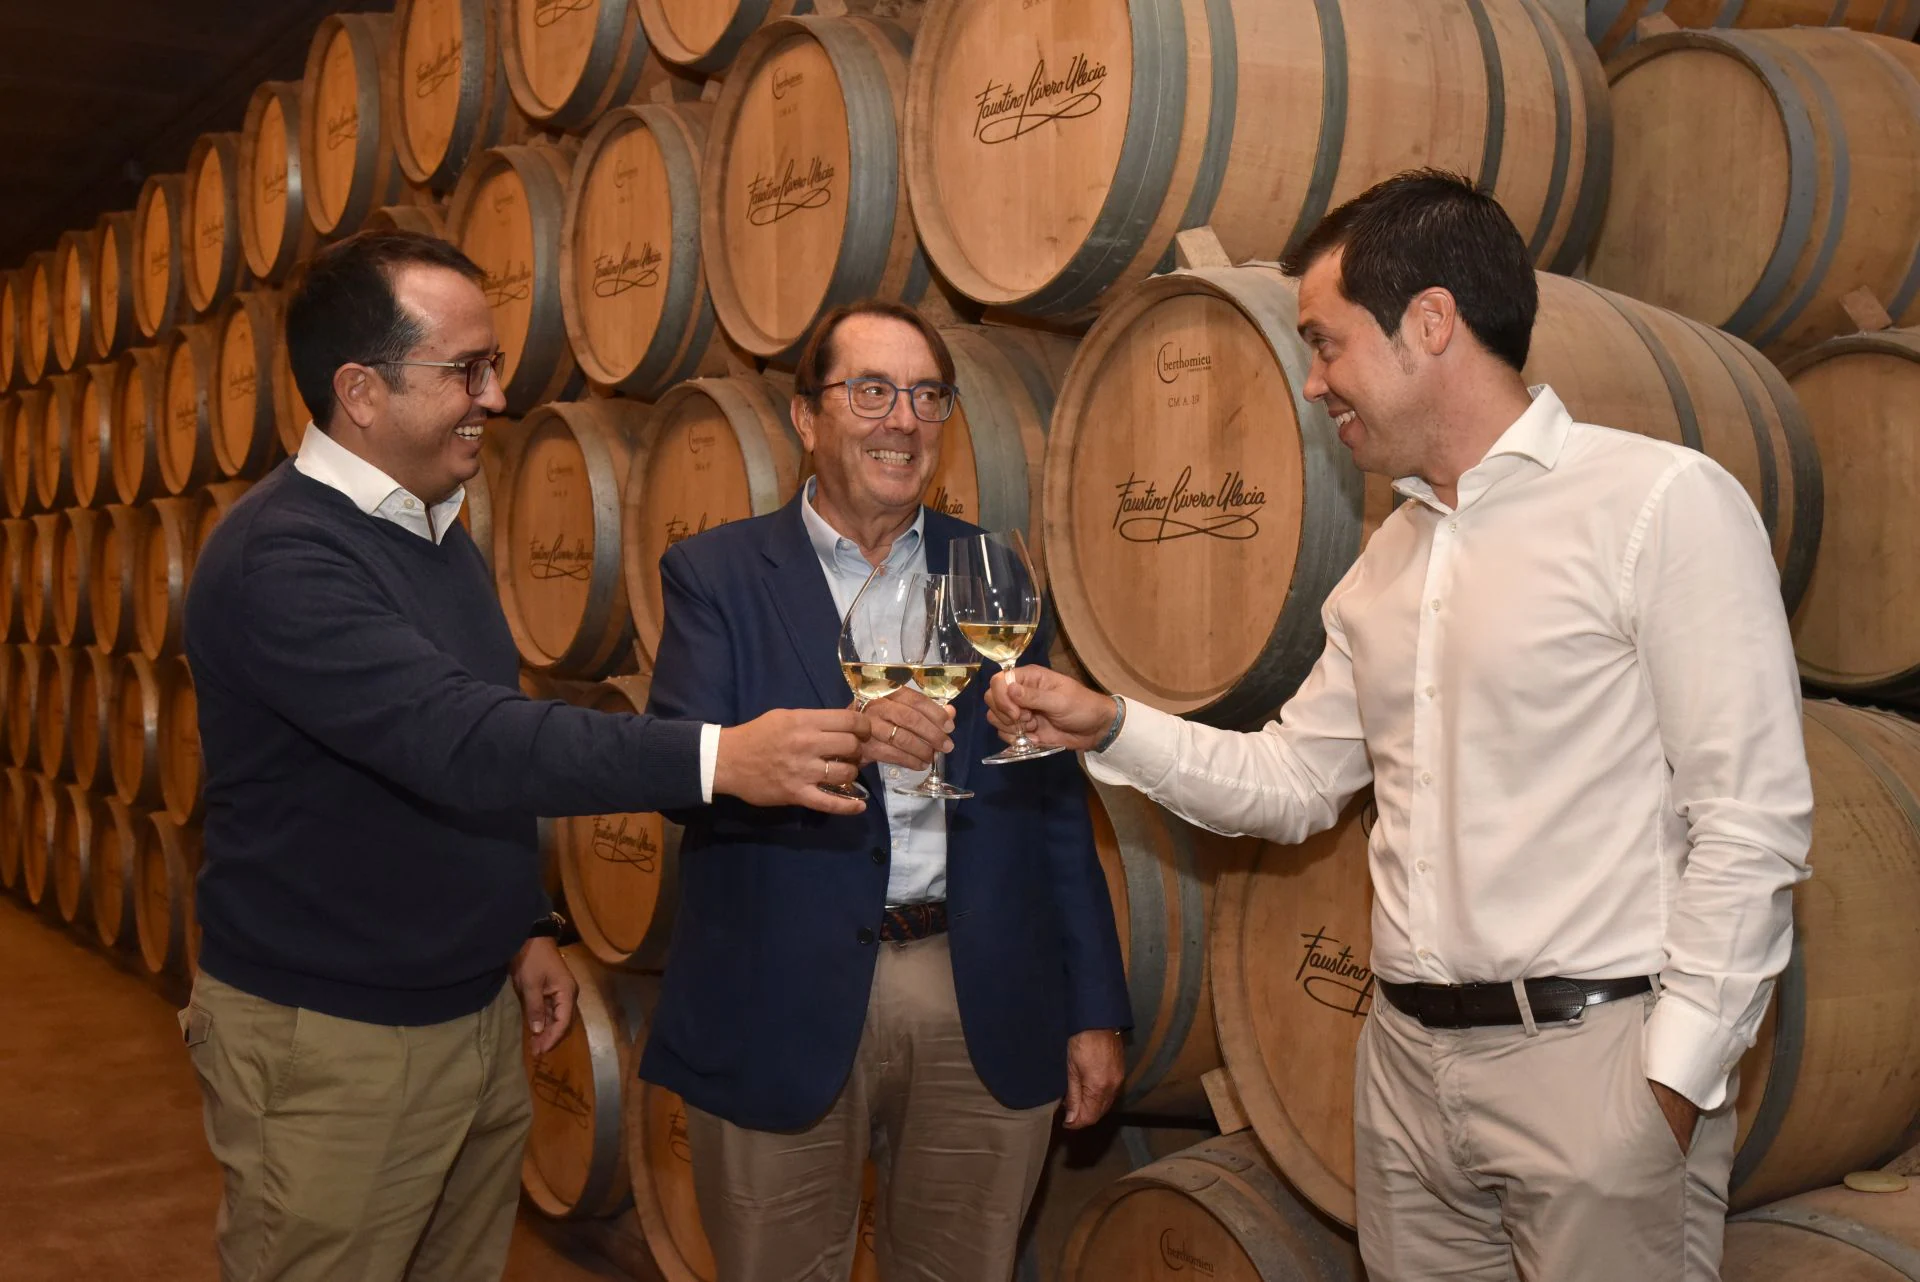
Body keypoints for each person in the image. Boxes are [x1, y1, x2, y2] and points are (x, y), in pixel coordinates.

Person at [985, 171, 1813, 1282]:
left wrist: (1670, 1085)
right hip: (1407, 1075)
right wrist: (1110, 726)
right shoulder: (1388, 561)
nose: (1314, 380)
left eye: (1325, 343)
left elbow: (1750, 817)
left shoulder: (1659, 504)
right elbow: (1288, 785)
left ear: (1431, 321)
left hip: (1594, 1066)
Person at [179, 229, 871, 1282]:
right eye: (465, 369)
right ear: (360, 392)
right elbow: (459, 740)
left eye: (492, 364)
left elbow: (461, 751)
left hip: (464, 1013)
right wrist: (717, 757)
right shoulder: (281, 559)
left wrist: (521, 926)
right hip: (332, 1044)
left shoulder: (432, 529)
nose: (495, 397)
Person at [640, 300, 1132, 1281]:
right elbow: (679, 773)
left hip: (977, 987)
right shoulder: (718, 574)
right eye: (870, 391)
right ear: (805, 417)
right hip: (777, 990)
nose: (901, 419)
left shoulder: (987, 571)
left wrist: (1093, 1007)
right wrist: (850, 737)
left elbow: (1051, 807)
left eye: (926, 396)